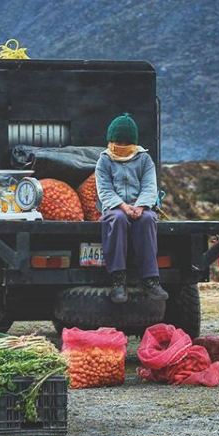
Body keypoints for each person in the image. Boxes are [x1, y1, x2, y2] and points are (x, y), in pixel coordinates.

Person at [95, 113, 168, 303]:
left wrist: (142, 206)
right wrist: (123, 207)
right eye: (116, 141)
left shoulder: (145, 160)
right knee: (117, 219)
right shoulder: (104, 161)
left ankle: (150, 279)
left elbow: (150, 186)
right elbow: (105, 190)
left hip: (140, 206)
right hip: (115, 207)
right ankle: (118, 279)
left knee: (148, 220)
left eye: (124, 141)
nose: (120, 145)